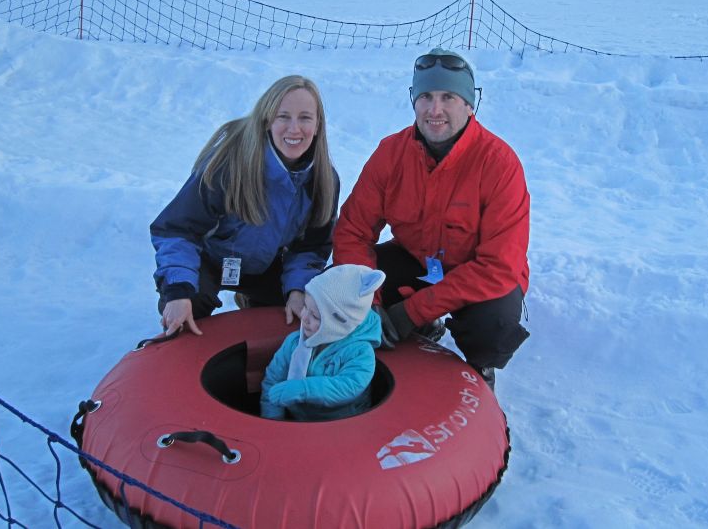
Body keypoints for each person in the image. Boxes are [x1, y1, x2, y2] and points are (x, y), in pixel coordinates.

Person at [332, 48, 530, 389]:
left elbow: (498, 267)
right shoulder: (391, 154)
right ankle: (419, 333)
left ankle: (480, 367)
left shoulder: (500, 164)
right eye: (425, 96)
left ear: (469, 104)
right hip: (418, 260)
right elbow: (352, 231)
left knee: (493, 325)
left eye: (448, 97)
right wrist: (370, 304)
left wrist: (410, 312)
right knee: (338, 290)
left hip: (477, 276)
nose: (434, 110)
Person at [150, 75, 339, 336]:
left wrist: (297, 289)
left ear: (318, 125)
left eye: (305, 118)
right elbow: (177, 229)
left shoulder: (323, 181)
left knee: (304, 311)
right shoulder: (228, 165)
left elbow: (312, 247)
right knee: (187, 305)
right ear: (267, 121)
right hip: (210, 258)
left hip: (268, 263)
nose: (294, 129)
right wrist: (178, 291)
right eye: (283, 116)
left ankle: (254, 299)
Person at [260, 264, 384, 421]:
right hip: (298, 419)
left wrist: (303, 389)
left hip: (342, 423)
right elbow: (272, 379)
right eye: (305, 306)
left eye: (316, 316)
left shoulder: (360, 351)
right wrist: (273, 419)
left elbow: (348, 386)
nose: (304, 317)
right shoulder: (295, 342)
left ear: (339, 324)